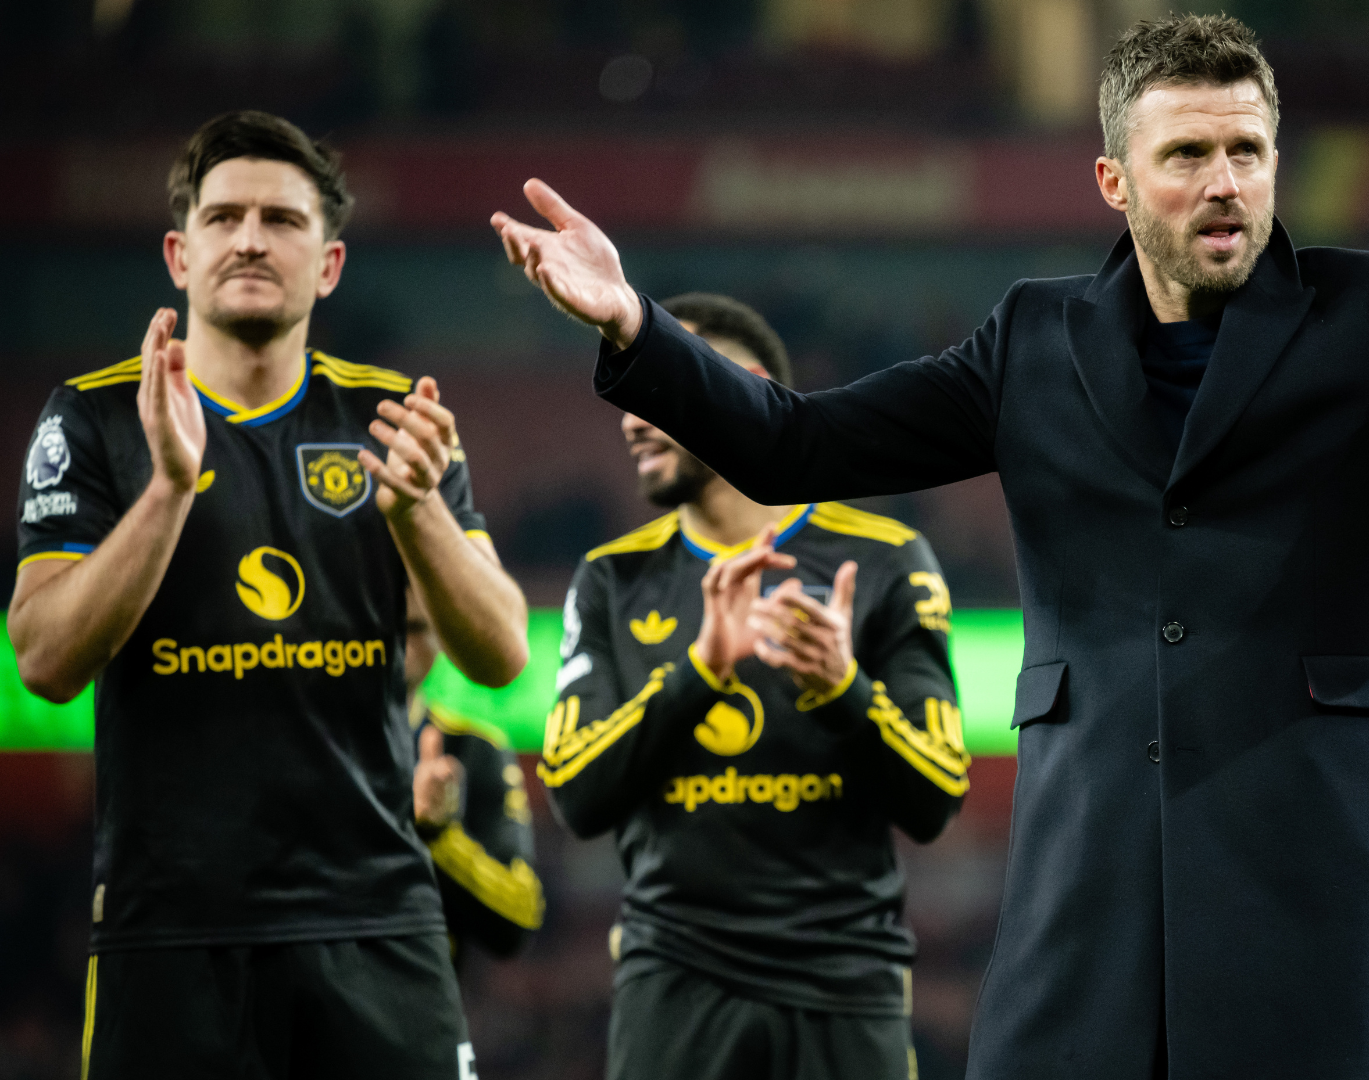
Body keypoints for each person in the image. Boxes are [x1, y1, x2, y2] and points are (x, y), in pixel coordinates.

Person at [492, 13, 1369, 1076]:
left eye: (1248, 150)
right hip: (1091, 849)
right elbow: (792, 448)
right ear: (1115, 179)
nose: (1225, 182)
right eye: (1189, 155)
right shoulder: (1032, 336)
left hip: (1303, 844)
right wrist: (635, 329)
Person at [8, 111, 529, 1077]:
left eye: (284, 220)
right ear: (179, 252)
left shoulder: (393, 415)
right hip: (168, 934)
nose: (251, 238)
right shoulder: (93, 417)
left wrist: (417, 512)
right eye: (225, 217)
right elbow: (42, 659)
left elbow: (501, 651)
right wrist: (167, 488)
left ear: (328, 265)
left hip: (377, 920)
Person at [538, 292, 968, 1080]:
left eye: (654, 394)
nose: (632, 419)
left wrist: (844, 689)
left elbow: (936, 795)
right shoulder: (613, 577)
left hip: (847, 985)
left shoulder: (885, 560)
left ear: (738, 386)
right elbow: (575, 794)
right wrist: (699, 672)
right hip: (673, 984)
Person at [405, 586, 546, 968]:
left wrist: (440, 837)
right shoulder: (305, 742)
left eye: (416, 627)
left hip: (423, 1011)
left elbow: (519, 917)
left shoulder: (473, 748)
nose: (399, 642)